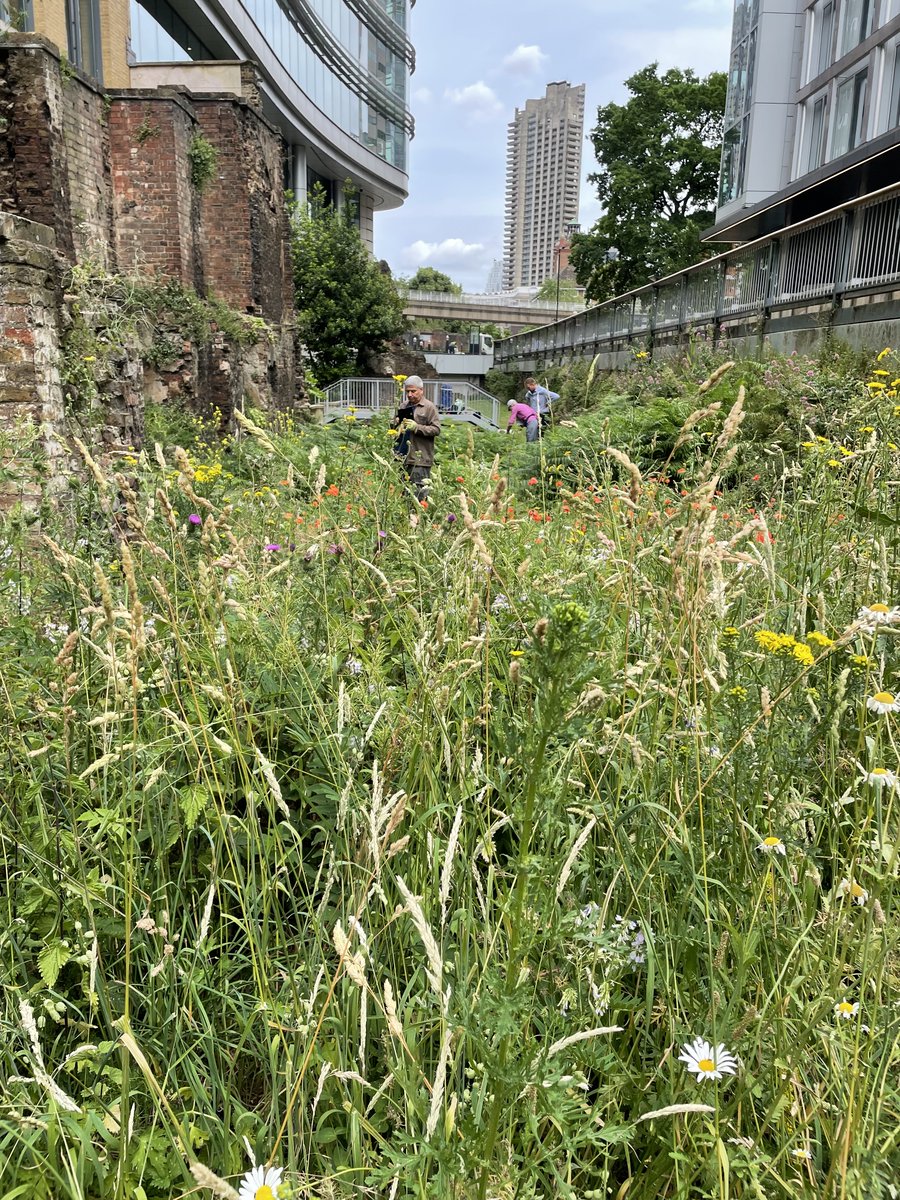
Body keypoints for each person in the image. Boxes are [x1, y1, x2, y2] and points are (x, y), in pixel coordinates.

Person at [391, 375, 440, 499]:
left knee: (419, 496)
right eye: (407, 391)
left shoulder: (429, 407)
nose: (410, 394)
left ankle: (418, 518)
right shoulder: (403, 406)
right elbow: (393, 428)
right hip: (402, 458)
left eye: (413, 391)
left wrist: (416, 427)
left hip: (420, 460)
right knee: (403, 495)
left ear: (421, 390)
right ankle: (407, 518)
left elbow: (436, 429)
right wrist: (395, 424)